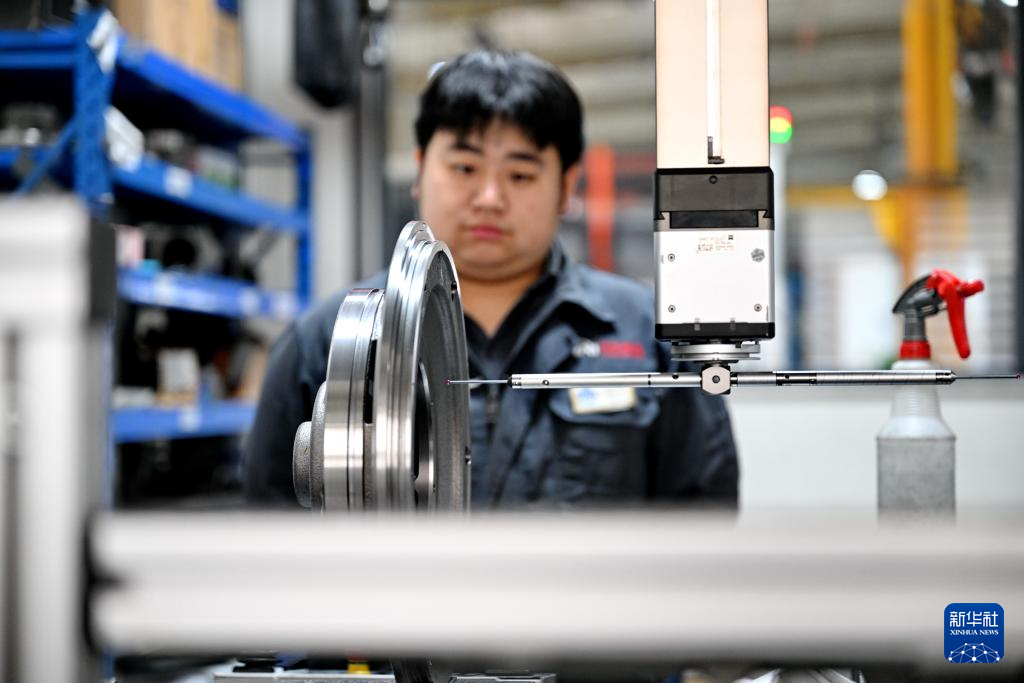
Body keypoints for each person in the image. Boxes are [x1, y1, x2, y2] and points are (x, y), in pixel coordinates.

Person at [244, 49, 739, 509]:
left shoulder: (647, 332)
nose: (489, 198)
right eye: (464, 167)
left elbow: (702, 515)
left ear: (565, 186)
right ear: (420, 169)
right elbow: (272, 526)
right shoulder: (332, 339)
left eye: (520, 175)